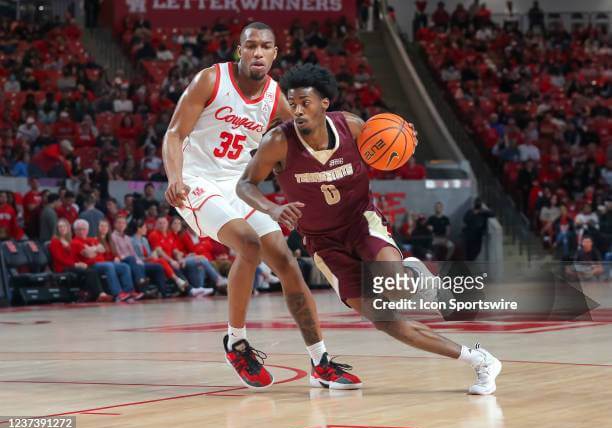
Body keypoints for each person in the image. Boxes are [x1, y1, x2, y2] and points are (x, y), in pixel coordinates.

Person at [236, 63, 502, 395]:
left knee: (397, 285)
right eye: (293, 103)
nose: (298, 110)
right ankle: (480, 360)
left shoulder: (351, 126)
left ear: (324, 104)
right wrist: (273, 208)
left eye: (305, 102)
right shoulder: (278, 141)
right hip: (323, 244)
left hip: (361, 223)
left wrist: (406, 139)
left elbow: (391, 145)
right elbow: (245, 185)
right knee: (388, 322)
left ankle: (414, 274)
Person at [162, 22, 352, 389]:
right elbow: (174, 134)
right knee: (248, 243)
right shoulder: (211, 80)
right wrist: (175, 177)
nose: (258, 53)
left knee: (286, 262)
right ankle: (236, 341)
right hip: (196, 181)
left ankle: (320, 360)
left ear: (275, 54)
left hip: (237, 184)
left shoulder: (277, 97)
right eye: (251, 46)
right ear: (240, 50)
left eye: (266, 46)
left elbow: (302, 140)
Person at [71, 219, 136, 303]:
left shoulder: (91, 239)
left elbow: (102, 249)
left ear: (87, 230)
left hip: (102, 263)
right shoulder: (75, 242)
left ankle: (128, 292)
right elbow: (88, 254)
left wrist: (93, 249)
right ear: (75, 231)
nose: (81, 231)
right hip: (91, 265)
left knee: (124, 266)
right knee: (109, 266)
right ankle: (118, 294)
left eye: (83, 229)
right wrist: (95, 249)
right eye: (79, 229)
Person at [49, 218, 113, 302]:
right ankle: (100, 294)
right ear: (57, 229)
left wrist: (78, 263)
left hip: (72, 265)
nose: (62, 228)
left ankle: (91, 294)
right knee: (90, 271)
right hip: (62, 267)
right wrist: (75, 264)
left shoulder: (69, 241)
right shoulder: (55, 241)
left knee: (90, 270)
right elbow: (60, 258)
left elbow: (78, 255)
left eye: (64, 226)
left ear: (68, 228)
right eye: (60, 227)